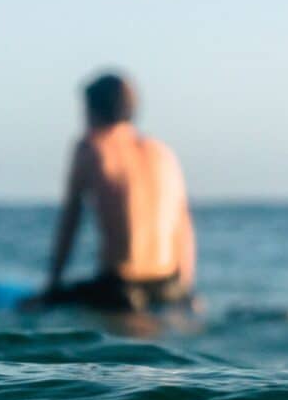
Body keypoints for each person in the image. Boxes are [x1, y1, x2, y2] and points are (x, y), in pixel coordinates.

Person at [32, 72, 196, 312]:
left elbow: (71, 220)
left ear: (92, 110)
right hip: (170, 287)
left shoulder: (92, 147)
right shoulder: (162, 153)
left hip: (121, 290)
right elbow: (183, 225)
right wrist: (186, 290)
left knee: (29, 307)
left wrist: (51, 286)